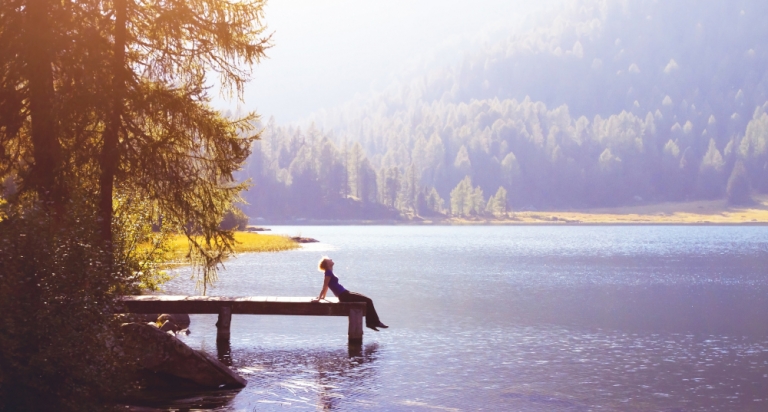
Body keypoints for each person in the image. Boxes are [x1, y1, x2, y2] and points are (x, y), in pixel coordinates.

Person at [312, 256, 388, 331]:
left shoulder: (329, 272)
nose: (331, 259)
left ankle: (371, 323)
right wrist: (319, 299)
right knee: (368, 301)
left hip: (345, 293)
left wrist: (323, 297)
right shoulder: (328, 272)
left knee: (367, 300)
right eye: (329, 259)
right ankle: (374, 322)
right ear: (327, 264)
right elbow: (325, 286)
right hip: (344, 296)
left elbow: (327, 286)